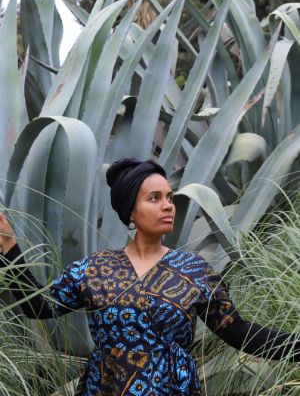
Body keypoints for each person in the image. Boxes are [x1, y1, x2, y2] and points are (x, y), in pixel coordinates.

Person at [0, 157, 299, 396]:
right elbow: (38, 306)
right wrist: (10, 248)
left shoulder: (195, 272)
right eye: (154, 198)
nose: (168, 204)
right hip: (106, 387)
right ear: (131, 211)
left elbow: (239, 332)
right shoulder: (93, 269)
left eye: (169, 197)